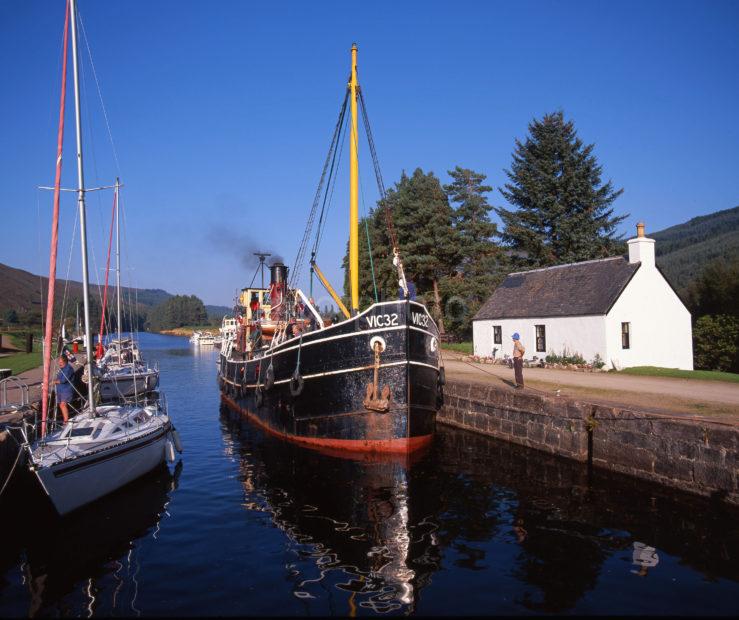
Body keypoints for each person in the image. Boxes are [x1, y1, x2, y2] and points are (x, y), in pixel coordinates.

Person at [54, 354, 75, 423]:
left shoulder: (68, 369)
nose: (59, 364)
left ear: (65, 361)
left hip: (66, 389)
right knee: (61, 404)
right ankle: (65, 419)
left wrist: (53, 382)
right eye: (59, 362)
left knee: (63, 404)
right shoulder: (62, 369)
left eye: (61, 362)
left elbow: (63, 380)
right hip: (60, 390)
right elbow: (58, 378)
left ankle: (66, 421)